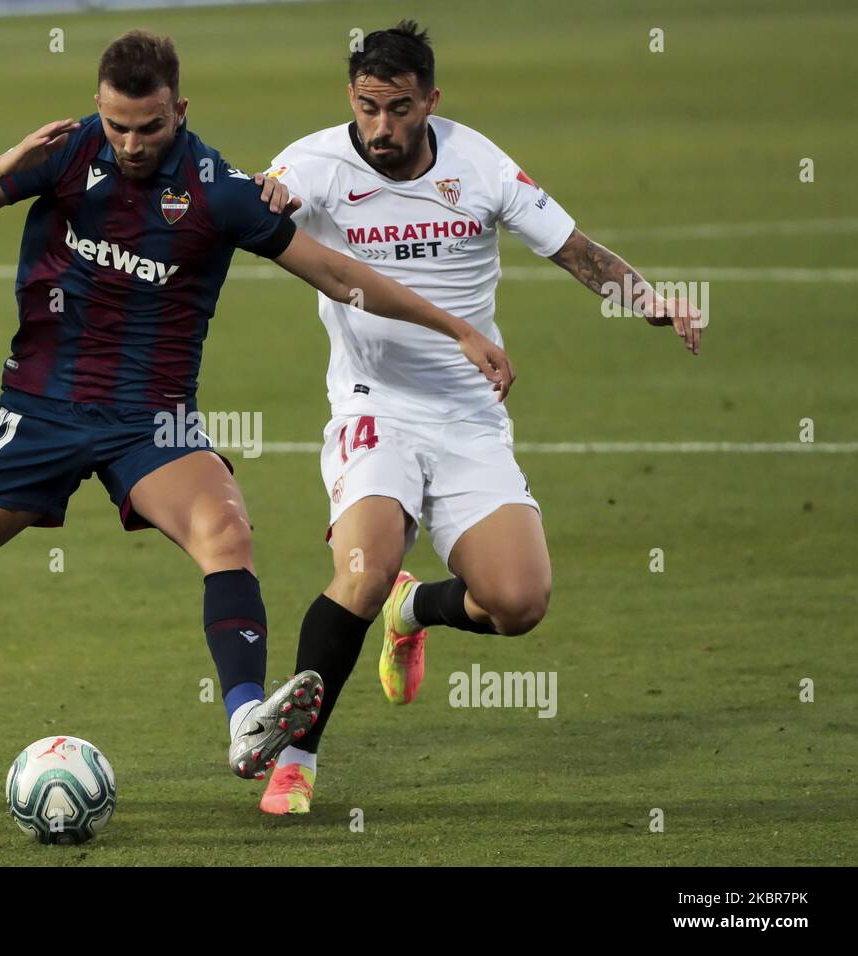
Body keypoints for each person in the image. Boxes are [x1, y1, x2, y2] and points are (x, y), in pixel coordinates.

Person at [0, 29, 514, 801]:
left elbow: (338, 275)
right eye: (117, 126)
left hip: (152, 422)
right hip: (39, 410)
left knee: (228, 534)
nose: (130, 143)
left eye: (149, 127)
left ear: (178, 110)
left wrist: (456, 328)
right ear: (98, 109)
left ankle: (249, 717)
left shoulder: (218, 189)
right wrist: (6, 162)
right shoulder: (65, 152)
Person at [255, 20, 702, 815]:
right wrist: (274, 194)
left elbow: (573, 249)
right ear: (349, 100)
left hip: (469, 417)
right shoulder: (315, 162)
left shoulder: (480, 165)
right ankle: (297, 757)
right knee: (360, 570)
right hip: (372, 407)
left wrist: (651, 302)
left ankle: (414, 607)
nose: (381, 129)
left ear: (432, 99)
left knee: (519, 602)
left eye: (398, 109)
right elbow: (271, 193)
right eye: (366, 109)